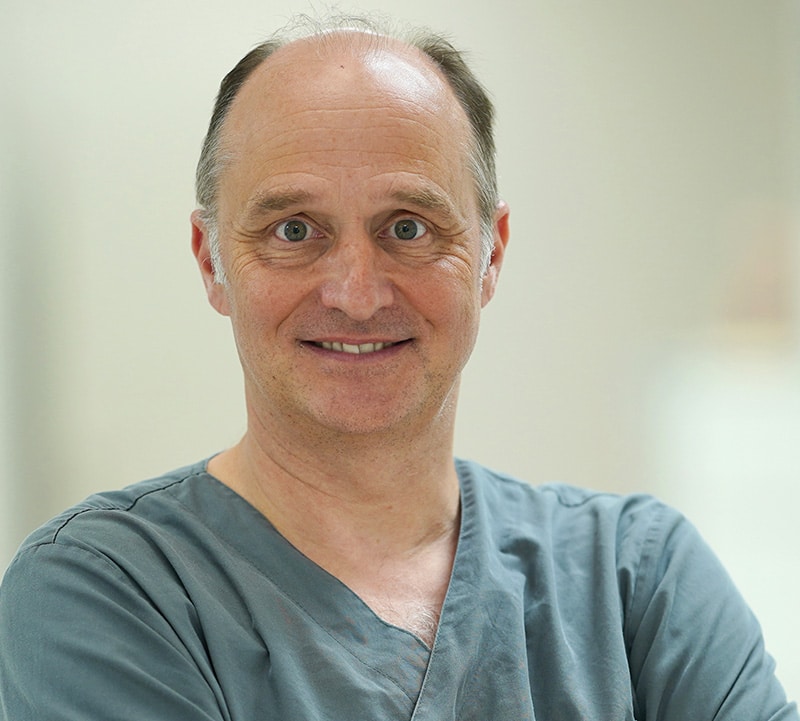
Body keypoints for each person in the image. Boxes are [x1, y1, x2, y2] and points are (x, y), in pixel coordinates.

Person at [0, 13, 796, 721]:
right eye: (293, 230)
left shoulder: (637, 582)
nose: (355, 293)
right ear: (212, 261)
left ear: (490, 256)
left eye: (408, 228)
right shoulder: (105, 592)